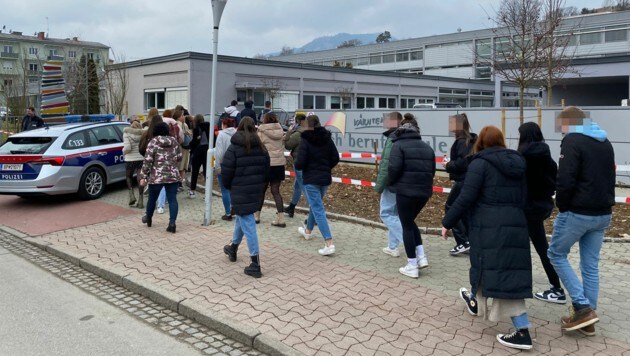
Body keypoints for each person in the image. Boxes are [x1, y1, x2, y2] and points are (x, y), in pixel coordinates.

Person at [441, 125, 533, 350]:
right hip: (515, 224)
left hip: (489, 227)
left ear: (480, 142)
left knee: (503, 278)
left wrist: (447, 222)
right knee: (489, 268)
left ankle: (523, 332)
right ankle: (475, 300)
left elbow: (466, 197)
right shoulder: (518, 163)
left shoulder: (479, 163)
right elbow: (524, 197)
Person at [547, 106, 615, 336]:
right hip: (602, 212)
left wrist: (562, 206)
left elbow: (564, 179)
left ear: (569, 122)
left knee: (556, 254)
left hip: (577, 212)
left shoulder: (573, 140)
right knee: (590, 265)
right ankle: (588, 319)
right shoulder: (604, 141)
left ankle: (582, 307)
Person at [517, 122, 565, 304]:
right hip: (542, 207)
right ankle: (556, 286)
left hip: (524, 208)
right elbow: (555, 180)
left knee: (520, 248)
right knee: (542, 248)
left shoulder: (522, 158)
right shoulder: (547, 157)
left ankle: (521, 286)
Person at [387, 114, 435, 277]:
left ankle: (412, 264)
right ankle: (421, 256)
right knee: (410, 221)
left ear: (401, 129)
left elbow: (393, 169)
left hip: (405, 191)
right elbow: (432, 171)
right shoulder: (427, 147)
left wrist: (392, 183)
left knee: (406, 225)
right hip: (424, 192)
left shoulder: (398, 145)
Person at [221, 117, 270, 278]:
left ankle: (255, 263)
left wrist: (228, 186)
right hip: (255, 189)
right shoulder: (262, 147)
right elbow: (266, 170)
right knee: (242, 217)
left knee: (248, 223)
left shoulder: (234, 147)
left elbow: (226, 170)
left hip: (240, 188)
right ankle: (233, 247)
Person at [295, 115, 339, 255]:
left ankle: (329, 243)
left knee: (318, 209)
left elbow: (300, 163)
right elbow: (335, 157)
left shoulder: (305, 140)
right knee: (315, 205)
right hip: (324, 178)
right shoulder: (327, 138)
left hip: (311, 179)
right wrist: (326, 167)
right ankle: (308, 231)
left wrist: (300, 163)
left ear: (308, 125)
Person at [443, 113, 477, 256]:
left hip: (462, 180)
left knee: (451, 207)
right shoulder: (468, 140)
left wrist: (448, 164)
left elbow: (463, 163)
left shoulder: (462, 142)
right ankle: (469, 240)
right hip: (467, 180)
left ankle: (463, 242)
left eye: (451, 123)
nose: (449, 126)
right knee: (465, 211)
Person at [139, 122, 182, 233]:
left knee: (152, 199)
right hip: (172, 175)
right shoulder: (174, 141)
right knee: (172, 199)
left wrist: (143, 176)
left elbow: (147, 161)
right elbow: (179, 158)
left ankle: (148, 218)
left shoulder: (153, 142)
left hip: (156, 176)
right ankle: (172, 223)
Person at [374, 112, 404, 257]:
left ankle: (413, 244)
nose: (384, 122)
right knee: (395, 214)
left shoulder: (392, 139)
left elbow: (386, 165)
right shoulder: (403, 136)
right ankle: (393, 247)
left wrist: (379, 186)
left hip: (392, 183)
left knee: (385, 213)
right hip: (402, 183)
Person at [257, 112, 287, 227]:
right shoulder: (280, 131)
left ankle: (257, 216)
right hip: (278, 164)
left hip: (266, 164)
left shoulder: (261, 131)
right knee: (276, 191)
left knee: (261, 191)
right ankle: (281, 218)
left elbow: (258, 147)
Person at [283, 113, 307, 218]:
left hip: (299, 163)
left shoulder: (298, 134)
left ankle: (314, 215)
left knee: (306, 189)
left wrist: (288, 133)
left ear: (297, 121)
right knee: (298, 186)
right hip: (308, 164)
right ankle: (291, 207)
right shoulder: (309, 131)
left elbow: (288, 145)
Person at [213, 116, 237, 219]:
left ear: (224, 125)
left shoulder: (221, 135)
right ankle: (234, 209)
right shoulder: (236, 134)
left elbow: (219, 153)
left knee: (225, 189)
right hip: (235, 164)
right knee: (233, 188)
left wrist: (217, 166)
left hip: (224, 164)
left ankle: (228, 213)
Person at [123, 119, 146, 208]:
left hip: (130, 159)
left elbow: (127, 148)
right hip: (140, 158)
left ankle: (131, 196)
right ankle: (140, 201)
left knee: (128, 176)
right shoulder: (143, 133)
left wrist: (123, 151)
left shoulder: (126, 133)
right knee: (140, 178)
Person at [188, 114, 210, 199]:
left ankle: (192, 191)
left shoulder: (196, 128)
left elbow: (194, 142)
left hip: (198, 152)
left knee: (195, 172)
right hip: (207, 152)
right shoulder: (209, 127)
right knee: (206, 173)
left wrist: (190, 145)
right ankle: (207, 194)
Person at [175, 110, 192, 191]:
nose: (184, 117)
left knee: (181, 165)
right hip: (182, 147)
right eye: (182, 115)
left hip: (181, 147)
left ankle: (179, 183)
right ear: (179, 117)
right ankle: (180, 183)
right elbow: (186, 134)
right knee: (182, 165)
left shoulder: (182, 124)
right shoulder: (179, 124)